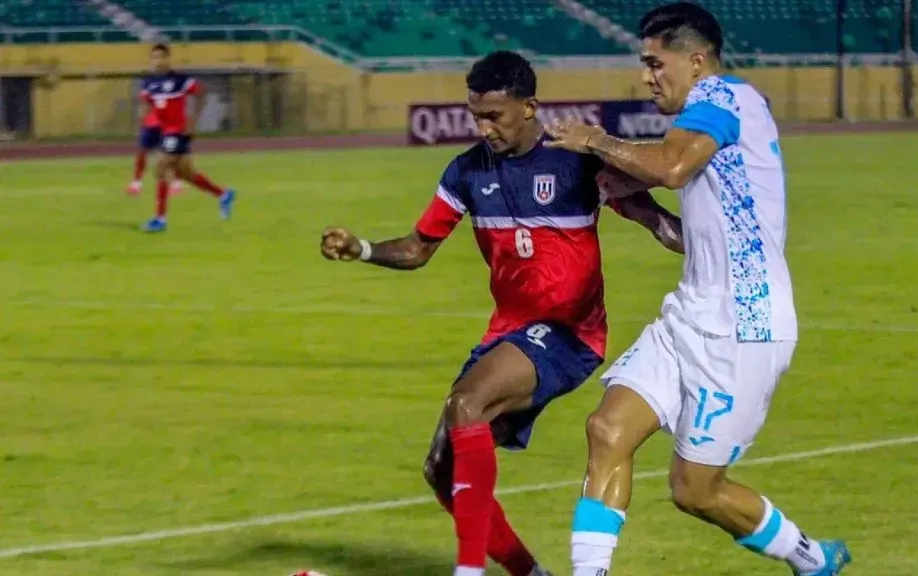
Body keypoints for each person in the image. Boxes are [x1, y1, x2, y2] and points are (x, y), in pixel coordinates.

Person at [320, 50, 683, 576]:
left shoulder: (576, 161)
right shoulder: (467, 171)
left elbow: (659, 224)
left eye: (494, 115)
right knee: (440, 472)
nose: (484, 127)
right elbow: (420, 248)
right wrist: (363, 248)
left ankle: (468, 571)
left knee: (466, 402)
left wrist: (721, 252)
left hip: (569, 333)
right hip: (510, 335)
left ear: (530, 106)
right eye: (476, 115)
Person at [543, 3, 851, 575]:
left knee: (695, 490)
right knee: (607, 429)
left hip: (745, 327)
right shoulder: (709, 120)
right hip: (691, 313)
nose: (647, 77)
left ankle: (811, 558)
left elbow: (672, 165)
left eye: (655, 64)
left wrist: (594, 140)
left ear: (697, 61)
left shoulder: (727, 101)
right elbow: (694, 239)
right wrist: (638, 210)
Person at [139, 44, 236, 233]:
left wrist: (193, 121)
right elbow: (147, 105)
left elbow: (201, 94)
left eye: (161, 57)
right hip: (165, 132)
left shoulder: (180, 80)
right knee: (186, 174)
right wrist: (147, 123)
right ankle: (223, 195)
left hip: (179, 131)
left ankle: (160, 219)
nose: (158, 61)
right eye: (154, 57)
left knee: (161, 167)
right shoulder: (148, 83)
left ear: (168, 58)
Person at [125, 103, 182, 197]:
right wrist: (143, 120)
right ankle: (136, 184)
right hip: (151, 124)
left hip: (167, 124)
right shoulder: (150, 89)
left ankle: (176, 184)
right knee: (142, 152)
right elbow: (145, 103)